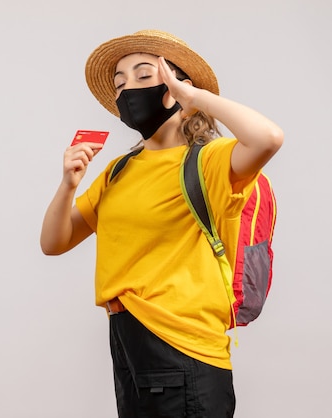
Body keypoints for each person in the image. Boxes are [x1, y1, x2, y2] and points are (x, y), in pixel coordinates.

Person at [40, 30, 283, 417]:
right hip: (128, 342)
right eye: (120, 84)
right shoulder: (119, 171)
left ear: (176, 87)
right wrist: (68, 184)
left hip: (185, 347)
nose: (127, 90)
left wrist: (197, 99)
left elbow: (268, 138)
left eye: (143, 76)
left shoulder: (210, 162)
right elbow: (54, 242)